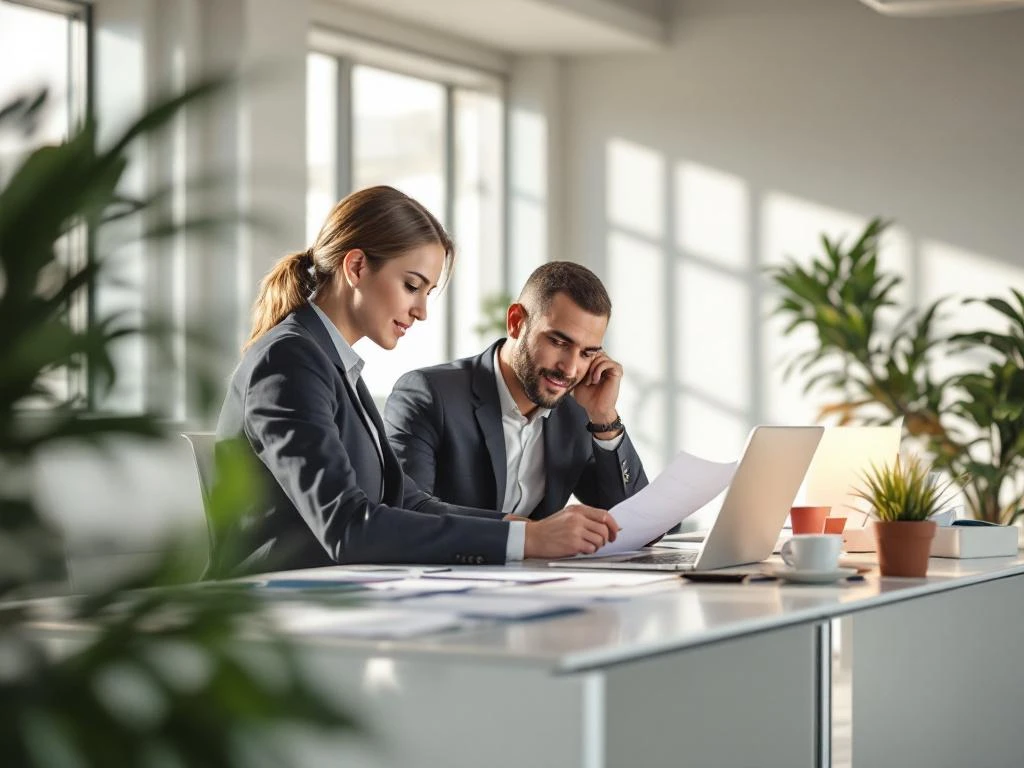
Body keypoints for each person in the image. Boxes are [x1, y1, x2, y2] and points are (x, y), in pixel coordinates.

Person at [212, 187, 618, 577]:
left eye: (428, 291)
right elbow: (346, 525)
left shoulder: (330, 361)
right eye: (412, 286)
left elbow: (404, 499)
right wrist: (526, 539)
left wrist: (517, 527)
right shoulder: (290, 359)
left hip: (335, 596)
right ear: (356, 267)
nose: (422, 311)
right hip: (269, 606)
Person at [383, 261, 648, 522]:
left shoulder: (578, 412)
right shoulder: (428, 394)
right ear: (516, 322)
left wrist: (604, 417)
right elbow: (405, 512)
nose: (570, 369)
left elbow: (639, 521)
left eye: (587, 353)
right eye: (558, 342)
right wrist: (529, 536)